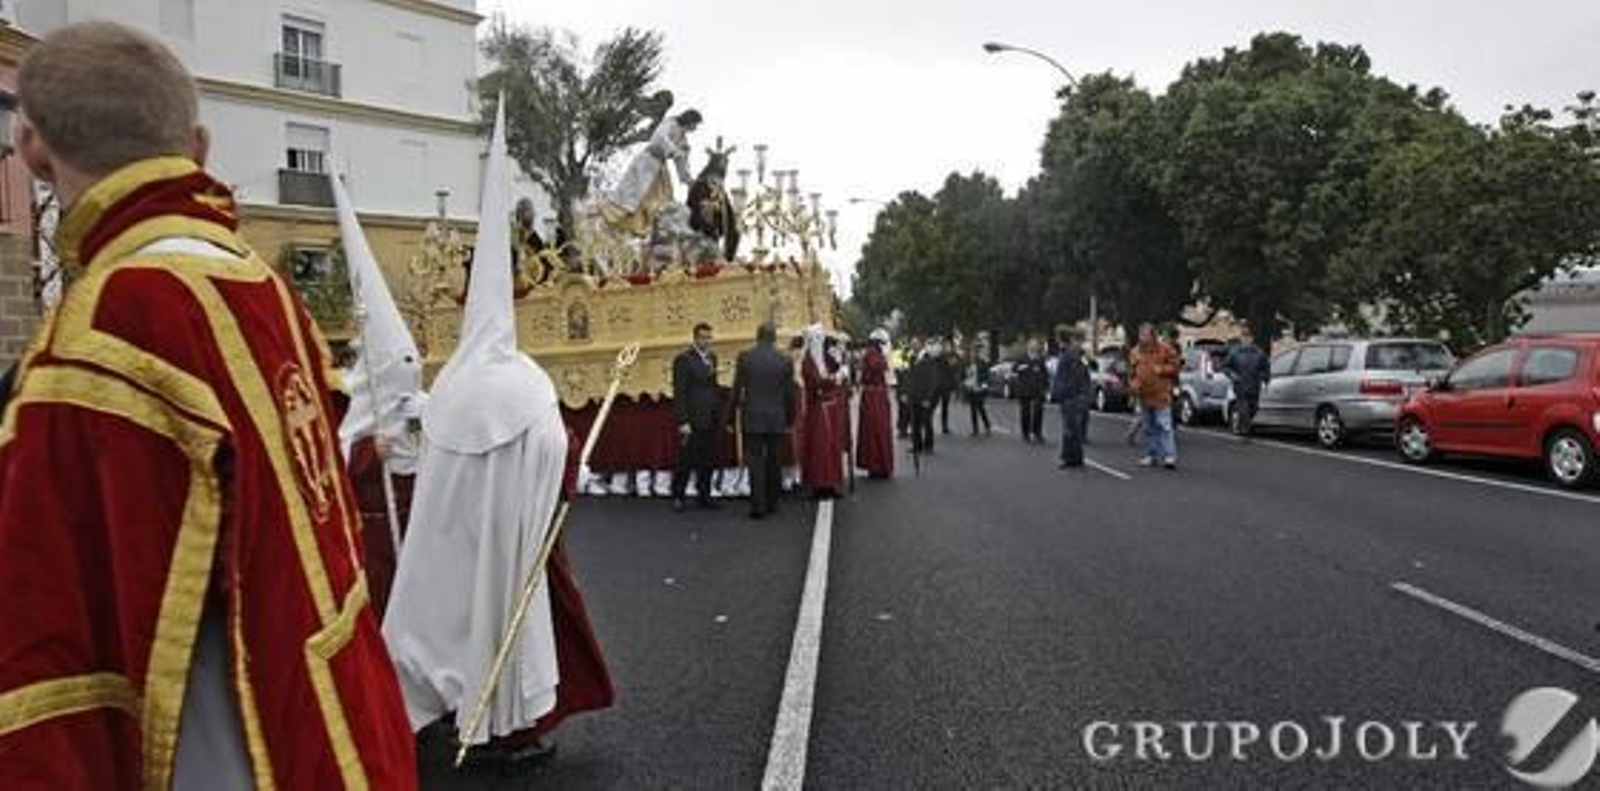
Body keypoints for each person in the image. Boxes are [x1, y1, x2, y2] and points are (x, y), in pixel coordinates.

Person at [0, 22, 416, 787]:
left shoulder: (103, 326)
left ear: (31, 147)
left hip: (213, 743)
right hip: (330, 713)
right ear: (198, 146)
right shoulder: (266, 287)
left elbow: (47, 623)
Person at [384, 101, 613, 771]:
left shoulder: (449, 385)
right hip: (511, 544)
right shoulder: (526, 385)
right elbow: (556, 458)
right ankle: (506, 729)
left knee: (450, 613)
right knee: (506, 625)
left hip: (453, 539)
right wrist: (567, 480)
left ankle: (436, 708)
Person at [332, 166, 427, 620]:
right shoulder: (352, 397)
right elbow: (334, 458)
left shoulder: (417, 400)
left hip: (413, 518)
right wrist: (371, 450)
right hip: (371, 526)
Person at [731, 322, 797, 518]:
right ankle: (773, 502)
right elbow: (789, 394)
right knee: (774, 461)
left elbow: (737, 389)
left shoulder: (745, 357)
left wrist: (729, 418)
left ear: (757, 336)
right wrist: (790, 418)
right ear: (774, 337)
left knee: (755, 463)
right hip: (776, 416)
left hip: (753, 416)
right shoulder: (785, 360)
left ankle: (758, 506)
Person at [604, 109, 702, 235]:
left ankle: (647, 228)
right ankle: (626, 223)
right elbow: (660, 137)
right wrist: (675, 150)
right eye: (695, 124)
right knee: (638, 194)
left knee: (663, 198)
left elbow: (681, 161)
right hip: (647, 161)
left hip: (659, 167)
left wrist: (688, 179)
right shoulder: (670, 123)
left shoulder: (683, 138)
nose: (695, 128)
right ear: (689, 120)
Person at [671, 322, 722, 511]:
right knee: (686, 460)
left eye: (709, 338)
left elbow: (712, 385)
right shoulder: (683, 360)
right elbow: (680, 392)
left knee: (707, 460)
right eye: (703, 338)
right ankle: (678, 495)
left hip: (710, 417)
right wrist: (683, 421)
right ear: (695, 338)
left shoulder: (712, 358)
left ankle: (704, 495)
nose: (706, 341)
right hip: (692, 419)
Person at [799, 325, 846, 497]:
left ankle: (831, 483)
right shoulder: (808, 361)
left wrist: (840, 359)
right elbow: (816, 384)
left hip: (830, 408)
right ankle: (819, 484)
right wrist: (835, 378)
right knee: (821, 448)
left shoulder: (824, 357)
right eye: (818, 339)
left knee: (832, 447)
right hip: (818, 410)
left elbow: (835, 368)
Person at [1130, 323, 1181, 469]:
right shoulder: (1135, 351)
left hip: (1161, 394)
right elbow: (1132, 372)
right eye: (1141, 335)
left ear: (1153, 336)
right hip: (1143, 395)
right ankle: (1151, 455)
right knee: (1148, 427)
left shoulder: (1165, 349)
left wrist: (1162, 369)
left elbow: (1176, 366)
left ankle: (1169, 456)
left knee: (1164, 426)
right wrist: (1133, 385)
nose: (1142, 338)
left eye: (1145, 335)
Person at [856, 328, 896, 478]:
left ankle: (880, 465)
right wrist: (885, 358)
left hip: (878, 394)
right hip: (874, 396)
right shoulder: (872, 353)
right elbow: (876, 367)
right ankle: (876, 465)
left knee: (879, 430)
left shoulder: (875, 352)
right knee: (875, 430)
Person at [1051, 331, 1092, 469]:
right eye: (1076, 341)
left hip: (1074, 396)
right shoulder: (1070, 355)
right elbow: (1062, 376)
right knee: (1071, 428)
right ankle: (1073, 458)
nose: (1078, 344)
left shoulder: (1076, 356)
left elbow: (1082, 376)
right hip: (1071, 396)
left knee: (1072, 429)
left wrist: (1083, 394)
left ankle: (1072, 458)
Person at [1222, 325, 1271, 438]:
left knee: (1253, 408)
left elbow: (1266, 367)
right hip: (1240, 386)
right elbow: (1225, 367)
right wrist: (1232, 375)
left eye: (1248, 337)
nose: (1246, 339)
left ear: (1252, 339)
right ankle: (1245, 431)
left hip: (1254, 386)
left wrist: (1265, 378)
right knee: (1244, 409)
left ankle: (1242, 426)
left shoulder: (1259, 352)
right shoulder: (1235, 352)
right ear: (1241, 339)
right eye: (1244, 337)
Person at [905, 340, 941, 456]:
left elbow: (933, 380)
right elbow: (909, 377)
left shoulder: (929, 359)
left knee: (926, 421)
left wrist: (928, 398)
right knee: (915, 422)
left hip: (925, 397)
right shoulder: (912, 358)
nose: (913, 346)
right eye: (912, 344)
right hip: (914, 396)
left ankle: (929, 446)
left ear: (921, 345)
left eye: (915, 344)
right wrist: (906, 393)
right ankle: (917, 445)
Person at [1013, 339, 1050, 443]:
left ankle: (1037, 432)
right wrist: (1021, 367)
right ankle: (1026, 433)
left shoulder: (1040, 359)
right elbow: (1014, 368)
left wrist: (1046, 388)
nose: (1034, 347)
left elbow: (1045, 374)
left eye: (1036, 346)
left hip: (1038, 389)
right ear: (1028, 347)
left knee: (1038, 411)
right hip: (1025, 389)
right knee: (1025, 412)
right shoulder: (1022, 358)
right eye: (1032, 345)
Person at [962, 344, 992, 435]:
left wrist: (985, 384)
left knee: (980, 408)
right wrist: (964, 383)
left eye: (974, 353)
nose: (973, 355)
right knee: (973, 410)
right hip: (970, 389)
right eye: (971, 353)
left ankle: (987, 425)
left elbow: (987, 375)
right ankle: (975, 429)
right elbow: (963, 375)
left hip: (979, 388)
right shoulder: (966, 363)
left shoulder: (982, 363)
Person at [935, 340, 959, 434]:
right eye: (945, 346)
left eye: (948, 346)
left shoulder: (952, 356)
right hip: (938, 385)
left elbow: (954, 371)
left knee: (945, 407)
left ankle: (945, 427)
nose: (946, 348)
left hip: (947, 386)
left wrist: (955, 387)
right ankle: (928, 424)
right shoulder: (939, 357)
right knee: (933, 406)